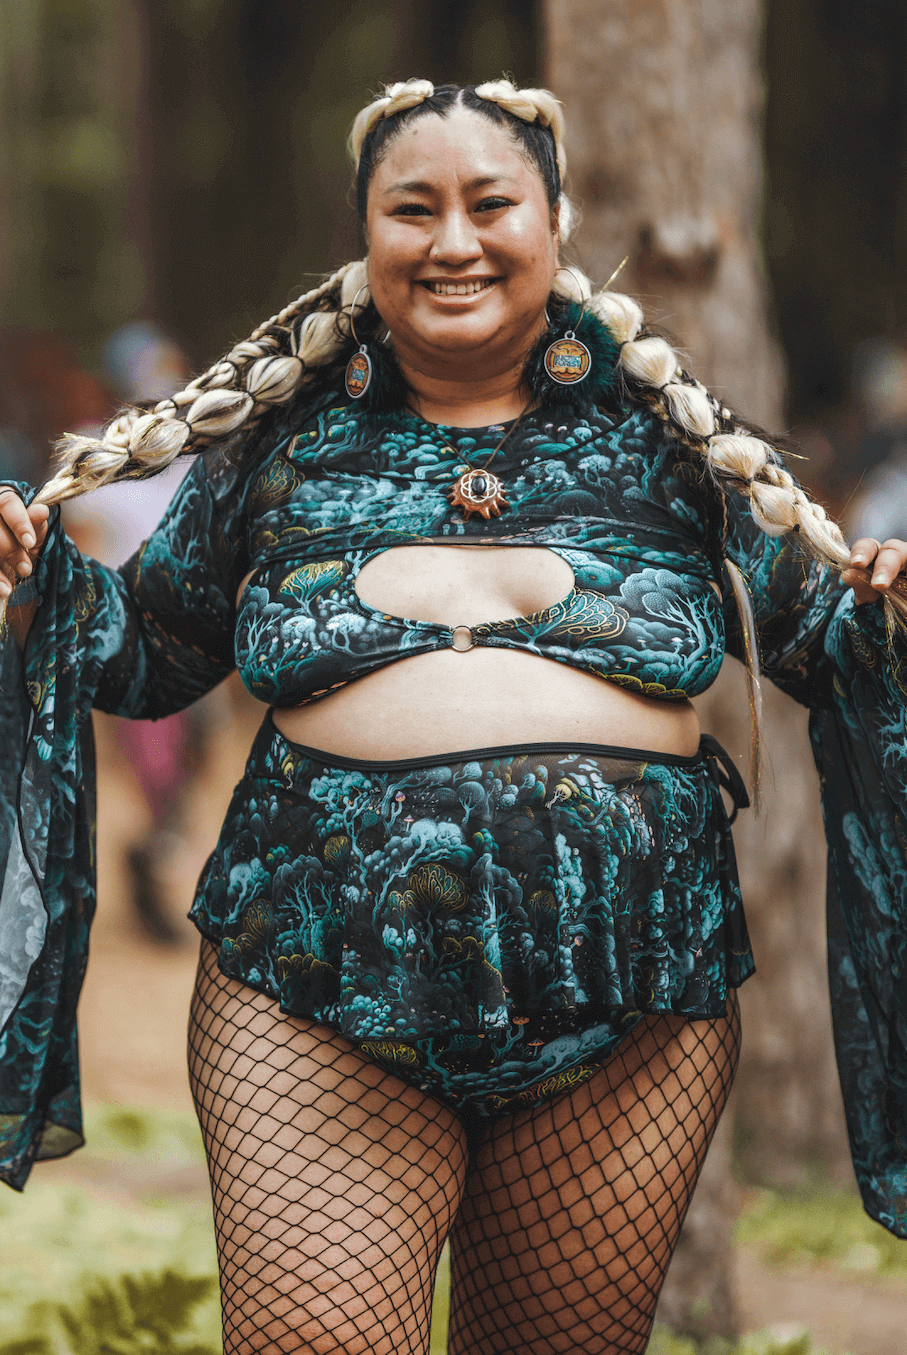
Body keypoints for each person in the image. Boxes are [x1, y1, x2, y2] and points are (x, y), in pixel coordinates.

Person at [0, 78, 906, 1355]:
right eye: (412, 209)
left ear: (557, 220)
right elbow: (148, 650)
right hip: (311, 988)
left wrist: (891, 610)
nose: (453, 241)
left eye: (491, 203)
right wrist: (31, 582)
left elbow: (828, 642)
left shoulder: (667, 440)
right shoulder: (284, 441)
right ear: (366, 235)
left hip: (627, 1003)